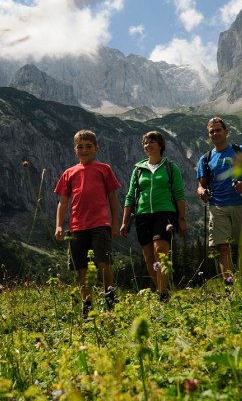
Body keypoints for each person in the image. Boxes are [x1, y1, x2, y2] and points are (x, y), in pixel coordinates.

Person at [54, 129, 122, 317]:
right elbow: (63, 202)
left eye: (88, 147)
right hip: (76, 227)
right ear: (75, 149)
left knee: (103, 262)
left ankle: (110, 296)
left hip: (100, 224)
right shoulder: (69, 173)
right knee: (81, 267)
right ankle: (87, 304)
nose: (84, 150)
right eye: (80, 147)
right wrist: (59, 225)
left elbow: (113, 199)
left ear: (96, 148)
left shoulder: (104, 169)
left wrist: (114, 224)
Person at [119, 131, 187, 302]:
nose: (147, 145)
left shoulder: (171, 168)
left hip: (165, 212)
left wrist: (181, 219)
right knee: (149, 257)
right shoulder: (138, 170)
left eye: (151, 142)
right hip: (142, 215)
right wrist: (124, 221)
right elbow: (129, 196)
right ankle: (162, 290)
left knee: (160, 251)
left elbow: (179, 194)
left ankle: (162, 294)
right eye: (145, 143)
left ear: (160, 145)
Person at [196, 117, 242, 284]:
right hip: (217, 206)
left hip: (241, 203)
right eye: (211, 132)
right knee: (222, 248)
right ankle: (230, 285)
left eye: (218, 130)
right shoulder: (205, 158)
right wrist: (202, 192)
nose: (215, 133)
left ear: (226, 132)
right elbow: (200, 186)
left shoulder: (240, 150)